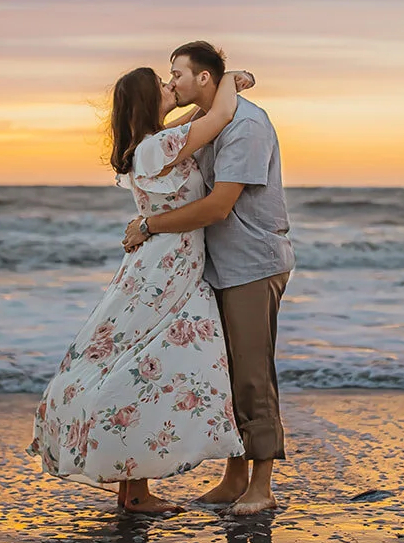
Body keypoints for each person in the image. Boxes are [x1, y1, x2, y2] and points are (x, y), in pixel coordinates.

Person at [29, 64, 254, 513]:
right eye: (164, 86)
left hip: (166, 265)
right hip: (165, 269)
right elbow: (220, 116)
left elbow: (193, 125)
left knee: (147, 363)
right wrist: (230, 80)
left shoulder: (152, 145)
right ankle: (134, 491)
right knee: (148, 365)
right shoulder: (158, 146)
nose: (172, 87)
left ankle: (134, 491)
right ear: (146, 103)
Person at [123, 41, 294, 515]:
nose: (171, 82)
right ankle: (234, 476)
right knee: (226, 373)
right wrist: (230, 81)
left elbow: (219, 207)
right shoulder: (207, 121)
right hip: (214, 267)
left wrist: (149, 226)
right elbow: (166, 139)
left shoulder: (247, 125)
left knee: (253, 373)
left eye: (176, 73)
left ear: (202, 78)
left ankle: (261, 483)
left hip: (250, 263)